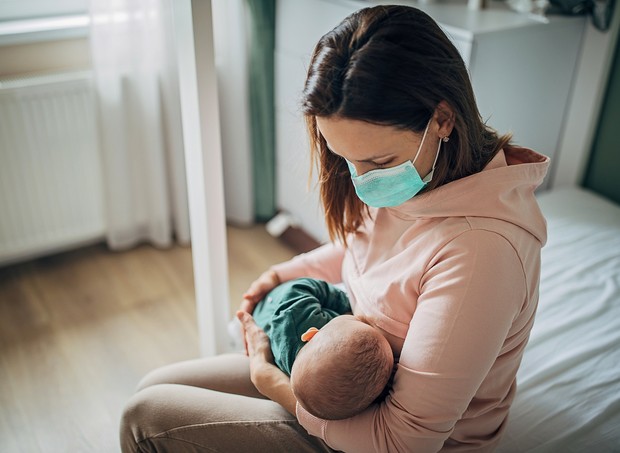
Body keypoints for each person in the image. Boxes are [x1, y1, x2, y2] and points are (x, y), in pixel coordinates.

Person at [120, 4, 549, 452]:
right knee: (152, 384)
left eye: (377, 162)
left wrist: (274, 386)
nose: (361, 181)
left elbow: (404, 441)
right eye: (346, 158)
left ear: (442, 119)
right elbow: (365, 253)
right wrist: (281, 274)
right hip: (337, 379)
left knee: (144, 420)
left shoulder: (482, 253)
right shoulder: (422, 177)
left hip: (384, 436)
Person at [249, 277, 394, 420]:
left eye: (356, 320)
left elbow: (298, 288)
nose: (361, 318)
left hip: (264, 308)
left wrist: (343, 302)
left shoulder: (296, 319)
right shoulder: (316, 383)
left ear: (311, 334)